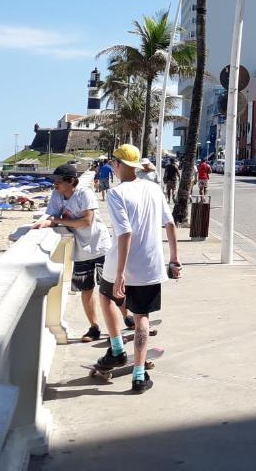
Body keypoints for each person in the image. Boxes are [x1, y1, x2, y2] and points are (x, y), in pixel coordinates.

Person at [94, 144, 181, 393]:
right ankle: (139, 377)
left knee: (106, 295)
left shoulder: (116, 193)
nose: (112, 165)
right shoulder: (154, 189)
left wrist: (121, 273)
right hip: (150, 265)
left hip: (120, 263)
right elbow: (171, 224)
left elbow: (125, 233)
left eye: (113, 162)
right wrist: (174, 259)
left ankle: (118, 350)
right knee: (142, 318)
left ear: (120, 165)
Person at [32, 163, 112, 342]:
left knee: (110, 288)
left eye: (59, 180)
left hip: (99, 245)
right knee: (86, 290)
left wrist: (57, 220)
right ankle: (94, 328)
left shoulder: (84, 193)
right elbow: (51, 217)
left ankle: (127, 319)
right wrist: (47, 222)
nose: (55, 184)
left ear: (71, 181)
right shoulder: (56, 195)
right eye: (55, 180)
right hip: (81, 250)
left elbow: (86, 221)